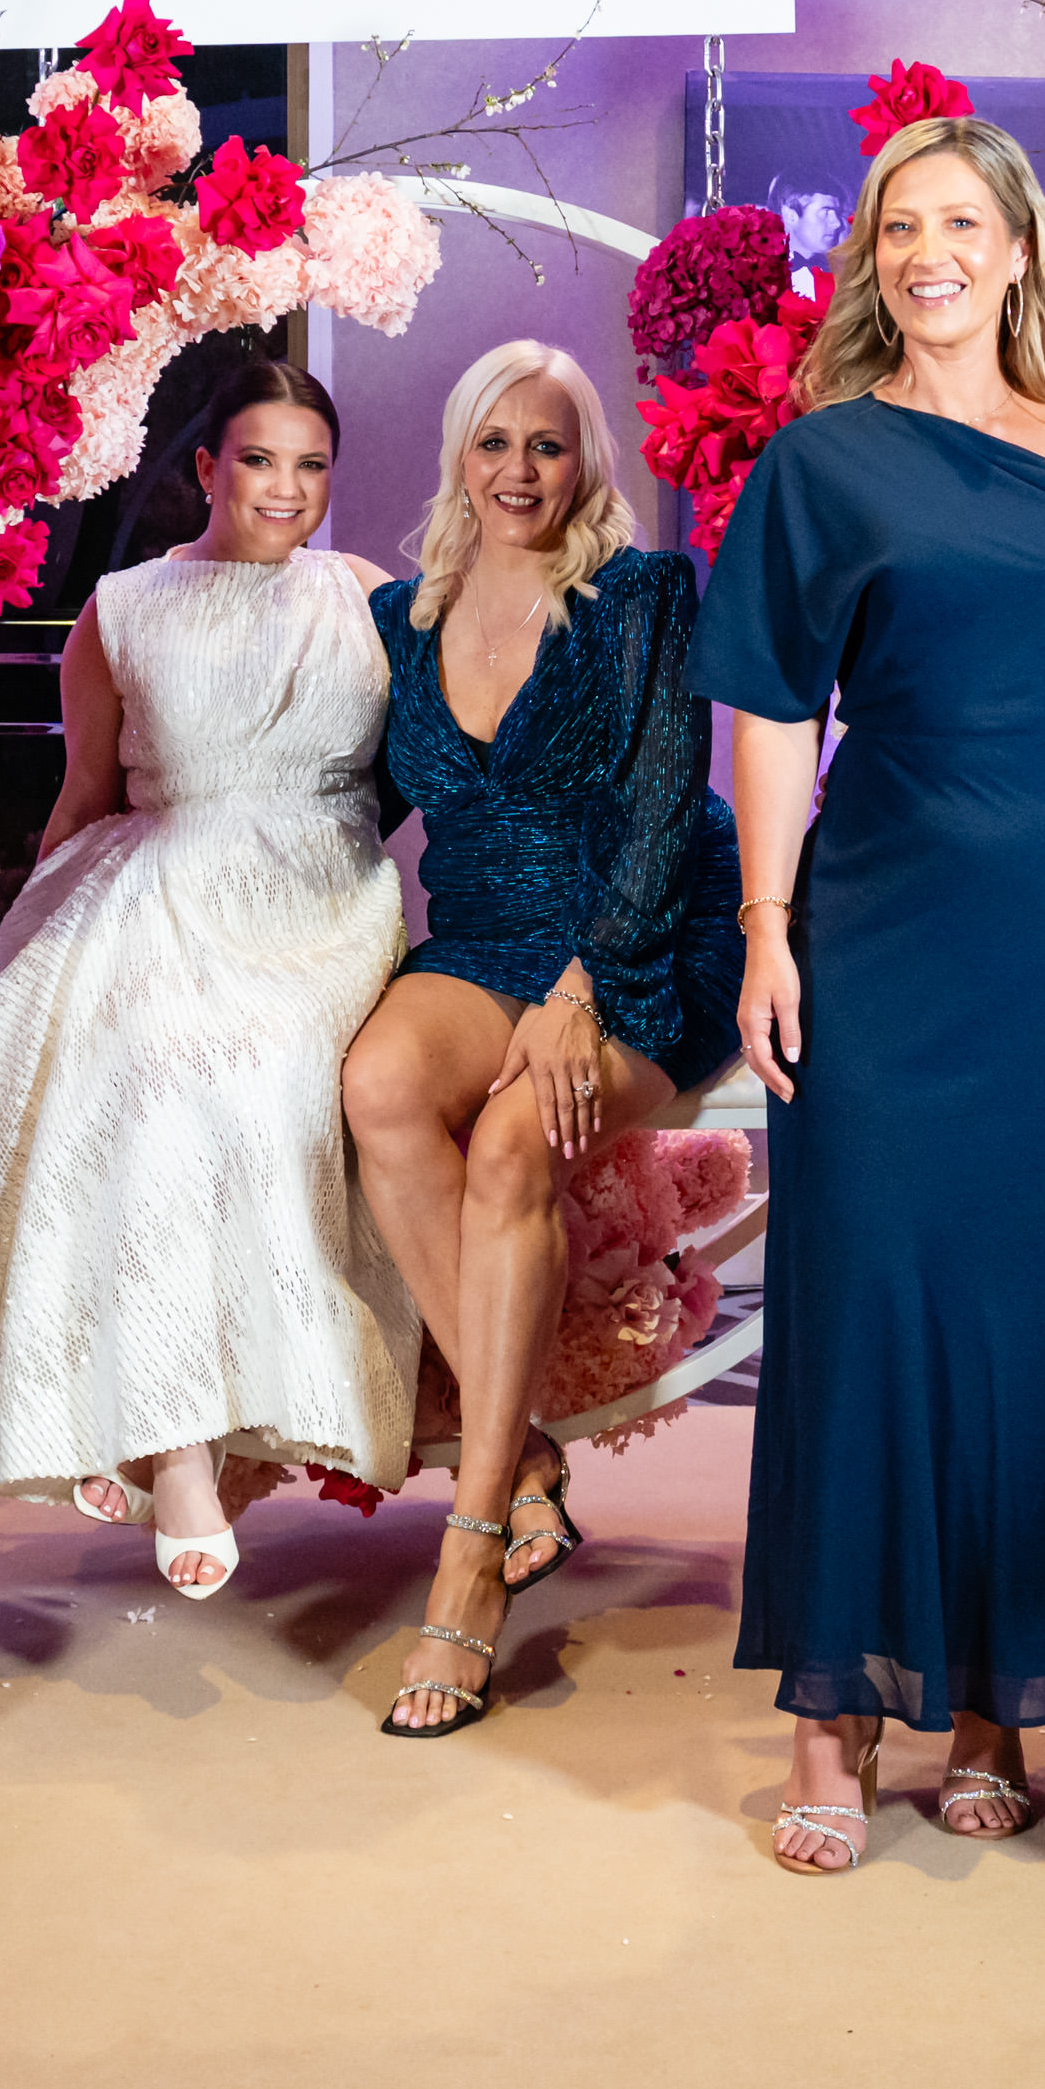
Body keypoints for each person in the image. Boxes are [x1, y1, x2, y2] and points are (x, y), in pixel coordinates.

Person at [694, 114, 1045, 1875]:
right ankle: (831, 1713)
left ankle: (1000, 1695)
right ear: (872, 258)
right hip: (884, 921)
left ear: (1018, 253)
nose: (930, 252)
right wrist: (767, 925)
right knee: (867, 1294)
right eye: (900, 225)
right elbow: (772, 705)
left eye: (963, 223)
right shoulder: (822, 459)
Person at [0, 360, 412, 1595]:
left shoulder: (370, 600)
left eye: (311, 465)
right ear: (207, 469)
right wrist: (29, 945)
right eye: (258, 461)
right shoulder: (121, 607)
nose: (285, 488)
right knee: (140, 1067)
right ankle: (173, 1450)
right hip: (160, 880)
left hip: (321, 902)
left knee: (260, 1078)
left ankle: (153, 1420)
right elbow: (84, 794)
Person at [340, 341, 743, 1737]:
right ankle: (522, 1471)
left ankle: (466, 1558)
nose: (519, 469)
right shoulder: (398, 618)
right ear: (459, 454)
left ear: (587, 463)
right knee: (378, 1082)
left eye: (548, 444)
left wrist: (585, 985)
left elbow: (661, 806)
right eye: (494, 441)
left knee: (517, 1142)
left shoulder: (642, 594)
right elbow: (349, 804)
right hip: (481, 937)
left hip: (640, 936)